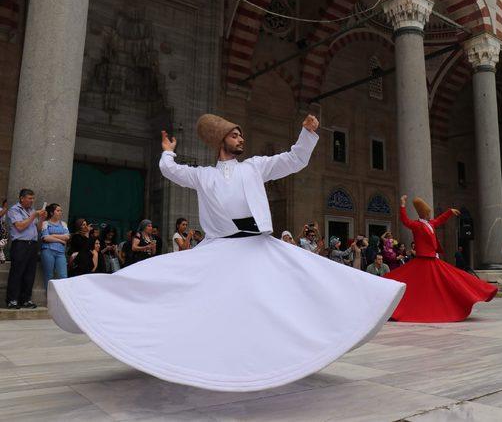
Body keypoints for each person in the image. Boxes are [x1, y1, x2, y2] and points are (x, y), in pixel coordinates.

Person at [48, 113, 404, 392]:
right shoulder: (205, 176)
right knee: (163, 283)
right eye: (235, 135)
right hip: (220, 250)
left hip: (259, 247)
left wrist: (308, 133)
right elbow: (170, 170)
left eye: (240, 135)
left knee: (313, 281)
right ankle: (92, 300)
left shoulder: (255, 166)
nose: (241, 139)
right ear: (222, 141)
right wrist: (168, 150)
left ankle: (284, 353)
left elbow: (294, 160)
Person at [384, 195, 497, 322]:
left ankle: (482, 291)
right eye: (428, 213)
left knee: (455, 277)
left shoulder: (431, 223)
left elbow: (440, 220)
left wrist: (449, 212)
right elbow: (404, 220)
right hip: (422, 260)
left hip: (433, 260)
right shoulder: (417, 225)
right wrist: (402, 205)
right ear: (424, 214)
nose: (430, 215)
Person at [5, 189, 46, 309]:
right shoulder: (14, 210)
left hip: (32, 245)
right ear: (22, 198)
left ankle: (26, 299)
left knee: (30, 274)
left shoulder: (31, 210)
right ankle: (12, 300)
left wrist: (42, 218)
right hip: (20, 244)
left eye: (33, 198)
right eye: (29, 198)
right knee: (17, 273)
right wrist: (34, 216)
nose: (32, 201)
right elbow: (20, 227)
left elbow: (38, 229)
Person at [40, 203, 70, 291]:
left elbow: (67, 237)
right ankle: (49, 296)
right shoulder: (45, 223)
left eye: (61, 211)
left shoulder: (63, 224)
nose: (60, 212)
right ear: (52, 213)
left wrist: (53, 235)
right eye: (58, 210)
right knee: (49, 275)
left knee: (63, 275)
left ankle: (63, 297)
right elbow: (45, 237)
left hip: (60, 253)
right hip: (48, 251)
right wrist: (61, 240)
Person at [0, 199, 8, 264]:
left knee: (3, 243)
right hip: (1, 229)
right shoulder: (1, 209)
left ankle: (2, 256)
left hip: (3, 229)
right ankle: (2, 257)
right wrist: (5, 209)